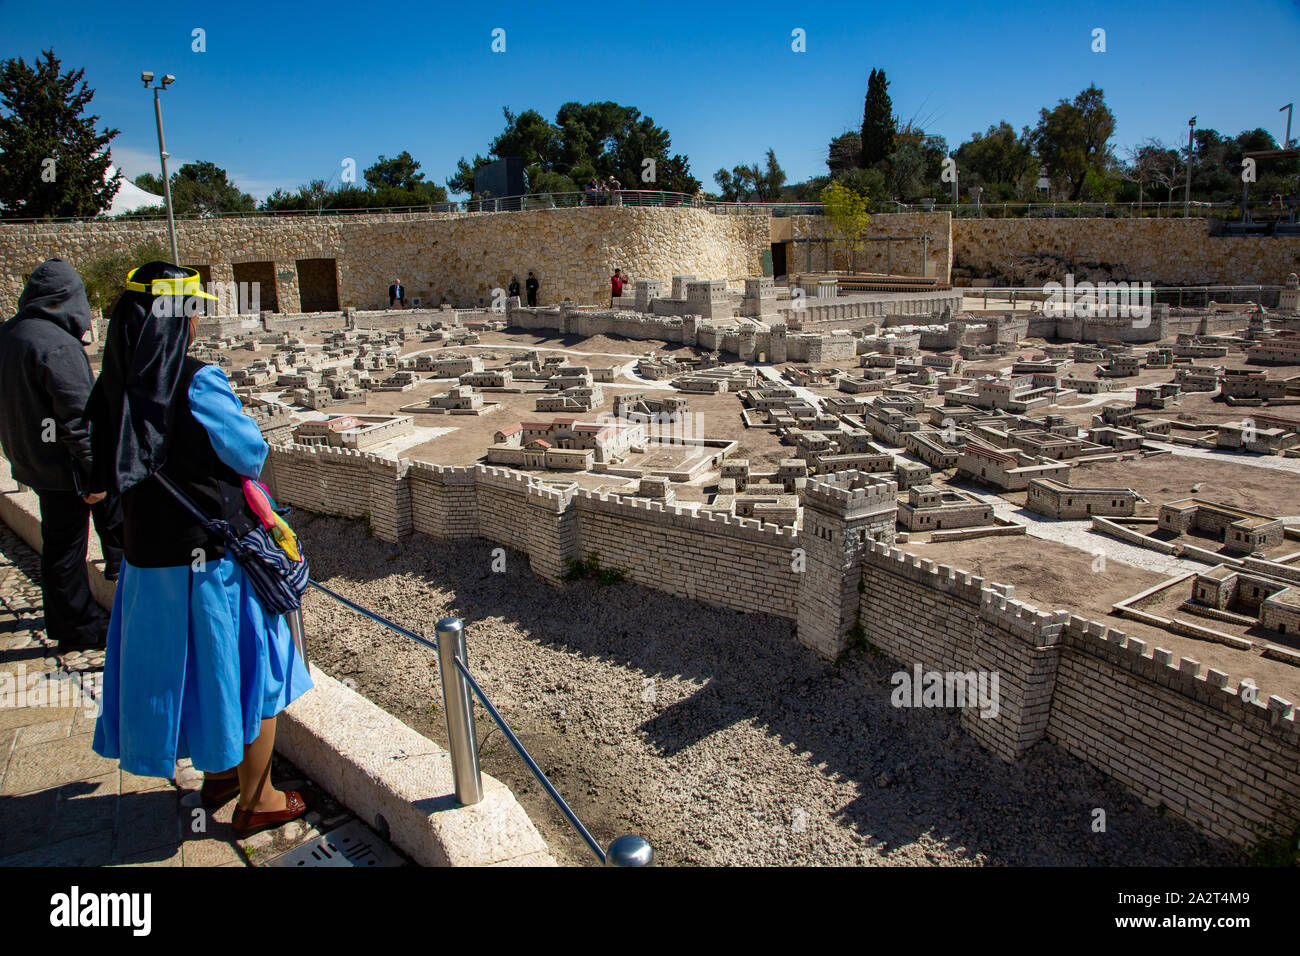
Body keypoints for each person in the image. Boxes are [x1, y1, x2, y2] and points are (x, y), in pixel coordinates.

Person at [88, 262, 314, 835]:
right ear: (181, 320)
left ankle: (217, 774)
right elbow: (248, 452)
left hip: (147, 564)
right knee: (250, 675)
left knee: (182, 674)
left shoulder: (109, 387)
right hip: (210, 566)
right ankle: (256, 798)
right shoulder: (197, 380)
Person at [0, 258, 124, 650]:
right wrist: (95, 475)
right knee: (67, 547)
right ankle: (77, 626)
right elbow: (78, 419)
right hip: (64, 468)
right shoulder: (55, 344)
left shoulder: (10, 334)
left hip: (30, 459)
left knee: (60, 543)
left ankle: (77, 608)